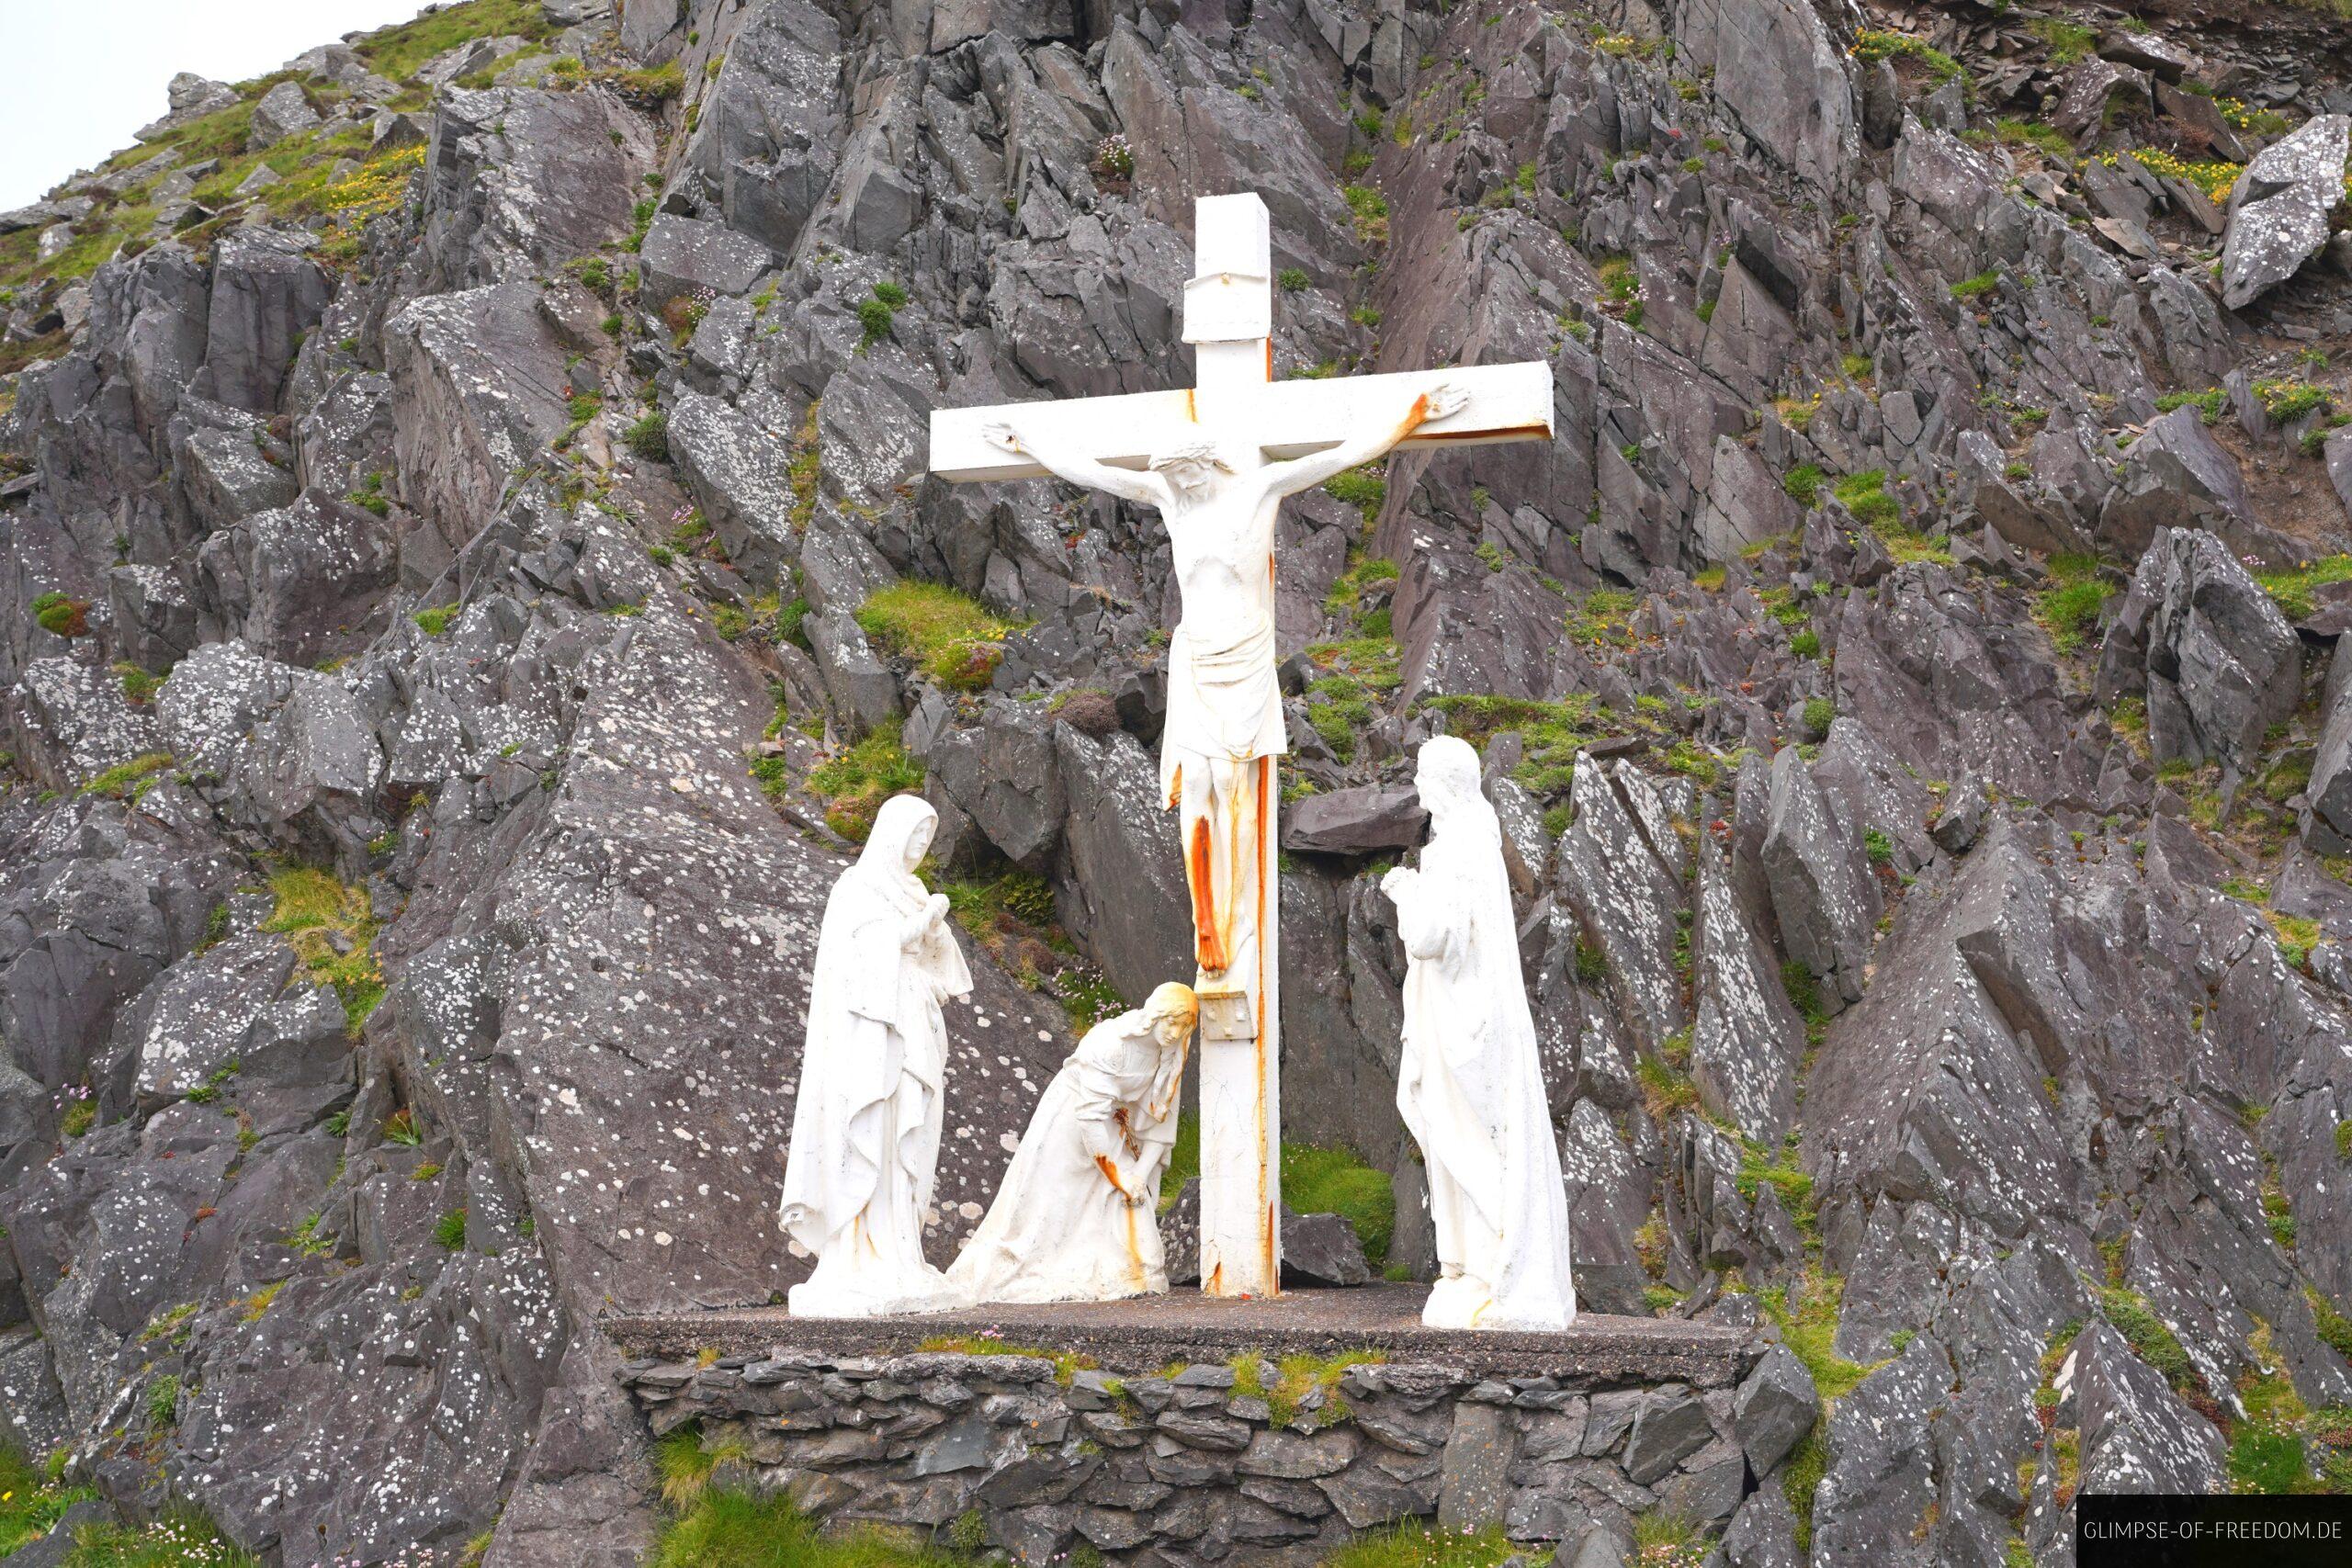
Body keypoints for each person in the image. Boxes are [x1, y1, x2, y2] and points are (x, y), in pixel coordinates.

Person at [980, 385, 1466, 975]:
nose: (1181, 486)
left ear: (1208, 463)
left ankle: (1234, 911)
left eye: (1187, 474)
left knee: (1238, 791)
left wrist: (1408, 416)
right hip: (1198, 661)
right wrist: (1031, 444)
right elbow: (1095, 472)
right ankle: (1204, 920)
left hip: (1246, 658)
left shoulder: (1257, 489)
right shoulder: (1169, 499)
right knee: (1197, 788)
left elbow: (1338, 457)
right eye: (1173, 478)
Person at [1380, 737, 1577, 1331]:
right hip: (1474, 1020)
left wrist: (1403, 889)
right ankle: (1470, 1267)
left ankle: (1484, 1265)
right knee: (1472, 1137)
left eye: (1422, 776)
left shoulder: (1454, 850)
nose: (1416, 786)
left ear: (1441, 782)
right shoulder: (1479, 839)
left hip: (1461, 1027)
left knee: (1463, 1139)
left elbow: (1430, 937)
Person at [779, 795, 971, 1316]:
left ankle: (899, 1249)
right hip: (869, 1031)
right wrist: (919, 923)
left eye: (927, 839)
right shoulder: (855, 888)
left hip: (912, 1019)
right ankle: (861, 1253)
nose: (919, 848)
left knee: (907, 1130)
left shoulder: (913, 891)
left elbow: (944, 969)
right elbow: (860, 960)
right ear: (891, 834)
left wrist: (935, 933)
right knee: (873, 1124)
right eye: (914, 835)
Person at [946, 983, 1196, 1303]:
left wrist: (1138, 1175)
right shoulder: (1111, 1044)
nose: (1175, 1033)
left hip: (1117, 1126)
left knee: (1124, 1210)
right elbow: (1090, 1119)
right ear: (1153, 1016)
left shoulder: (1170, 1055)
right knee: (1052, 1202)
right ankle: (1037, 1264)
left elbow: (1162, 1123)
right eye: (1171, 1022)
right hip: (1072, 1123)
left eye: (1184, 1026)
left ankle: (1121, 1272)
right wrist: (1118, 1176)